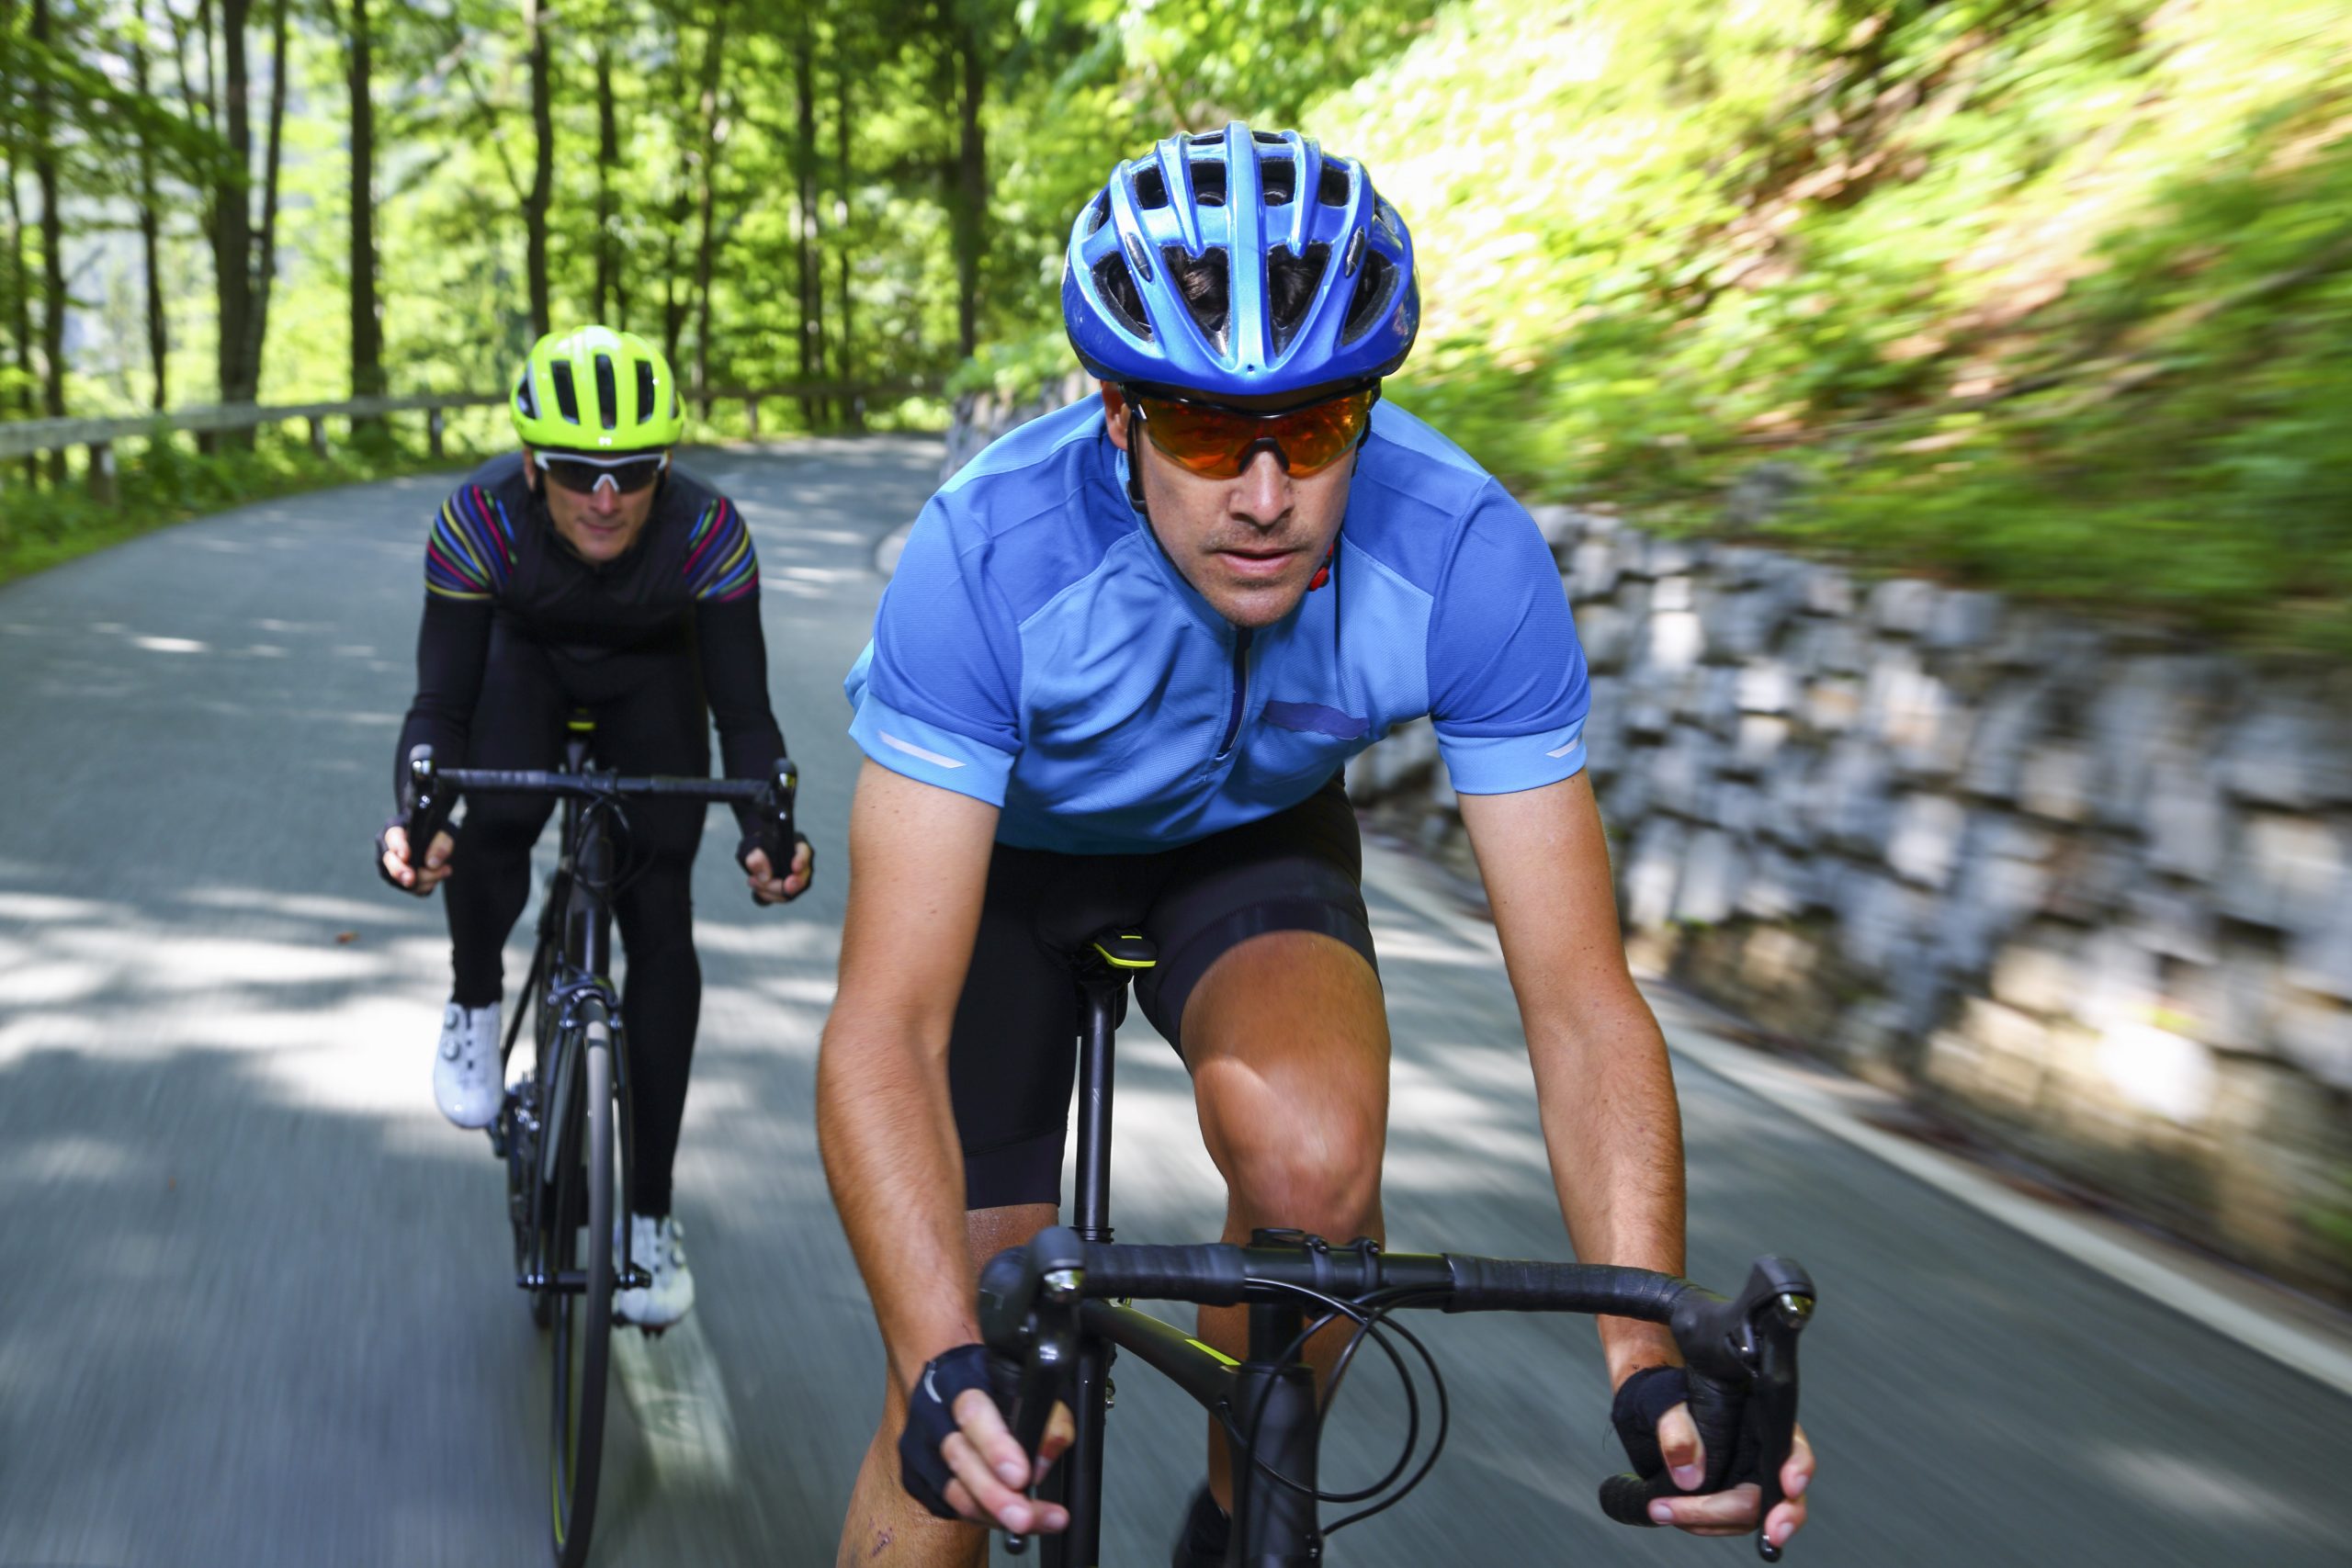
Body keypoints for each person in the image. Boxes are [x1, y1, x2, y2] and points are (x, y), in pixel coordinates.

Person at [818, 125, 1815, 1566]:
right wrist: (933, 1363)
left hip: (1250, 835)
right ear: (1119, 416)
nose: (1269, 494)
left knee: (1314, 1165)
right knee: (971, 1407)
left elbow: (1583, 1000)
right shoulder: (984, 560)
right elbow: (882, 1026)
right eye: (1212, 435)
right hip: (1008, 860)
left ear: (1368, 415)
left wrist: (1651, 1348)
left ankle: (1239, 1507)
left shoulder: (1465, 555)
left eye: (1324, 426)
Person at [377, 324, 813, 1328]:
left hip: (653, 683)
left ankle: (648, 1220)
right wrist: (418, 817)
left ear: (666, 464)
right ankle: (476, 1002)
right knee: (495, 812)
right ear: (533, 465)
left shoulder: (708, 534)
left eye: (633, 470)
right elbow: (438, 712)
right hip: (520, 668)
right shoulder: (477, 523)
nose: (605, 495)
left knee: (660, 908)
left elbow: (742, 717)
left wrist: (766, 828)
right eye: (577, 470)